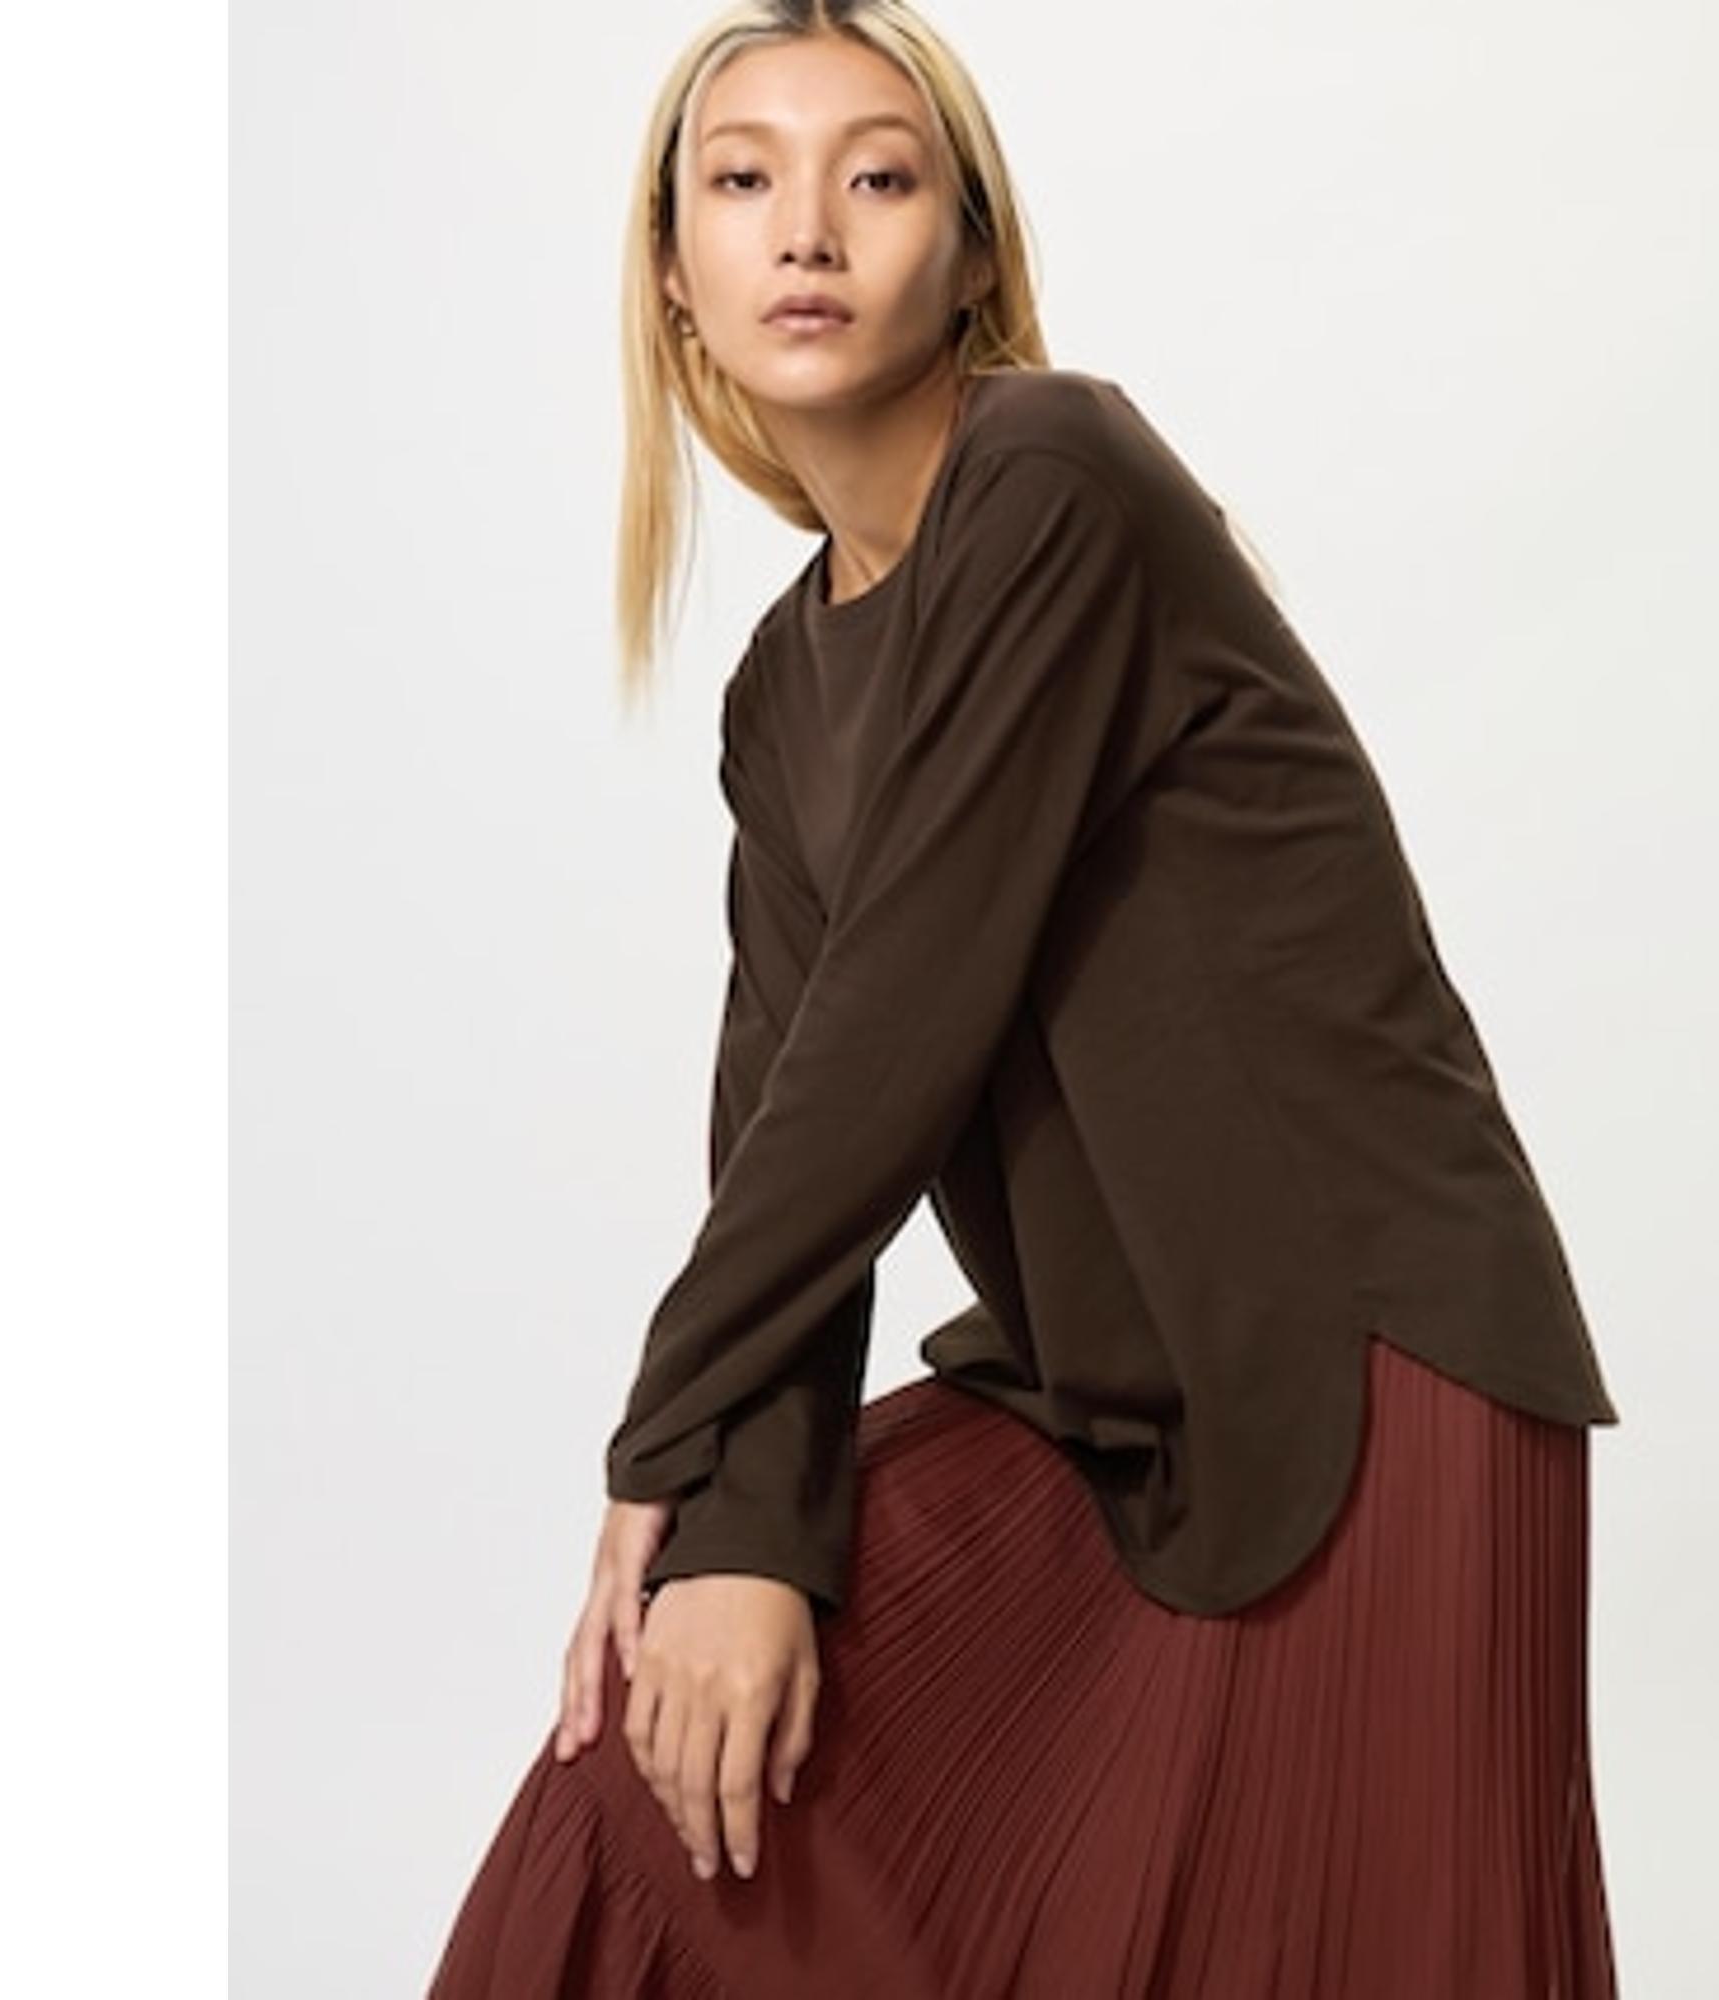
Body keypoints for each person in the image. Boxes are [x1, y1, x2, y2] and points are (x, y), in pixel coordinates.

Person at [426, 3, 1625, 1993]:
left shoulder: (1053, 477)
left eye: (879, 176)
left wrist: (656, 1448)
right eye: (744, 179)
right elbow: (787, 1120)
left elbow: (900, 1021)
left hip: (1366, 1366)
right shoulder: (780, 692)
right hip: (1114, 1402)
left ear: (971, 250)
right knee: (640, 1767)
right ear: (673, 270)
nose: (808, 228)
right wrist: (741, 1517)